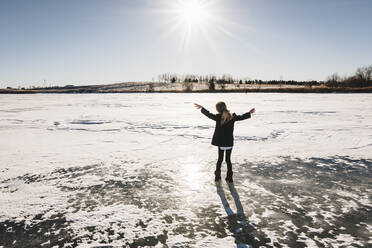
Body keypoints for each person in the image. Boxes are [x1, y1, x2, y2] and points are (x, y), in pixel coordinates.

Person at [194, 102, 255, 183]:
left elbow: (209, 115)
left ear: (218, 109)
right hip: (229, 142)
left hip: (221, 143)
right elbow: (241, 117)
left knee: (220, 159)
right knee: (228, 160)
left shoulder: (218, 117)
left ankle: (217, 176)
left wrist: (202, 108)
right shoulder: (232, 116)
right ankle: (229, 177)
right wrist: (249, 113)